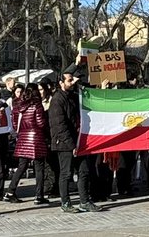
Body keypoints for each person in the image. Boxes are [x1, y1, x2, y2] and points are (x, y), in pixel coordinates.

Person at [50, 66, 100, 213]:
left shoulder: (72, 96)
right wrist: (72, 144)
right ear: (61, 83)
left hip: (78, 141)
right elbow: (59, 126)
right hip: (65, 143)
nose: (72, 83)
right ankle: (65, 202)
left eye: (72, 80)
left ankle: (84, 201)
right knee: (66, 174)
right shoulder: (57, 100)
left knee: (84, 171)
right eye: (69, 80)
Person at [5, 83, 49, 204]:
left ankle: (10, 191)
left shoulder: (18, 105)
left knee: (21, 166)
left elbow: (14, 124)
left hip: (23, 138)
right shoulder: (37, 105)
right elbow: (40, 123)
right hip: (36, 138)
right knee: (39, 167)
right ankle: (39, 195)